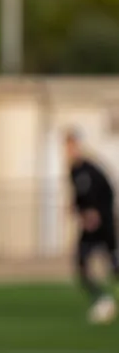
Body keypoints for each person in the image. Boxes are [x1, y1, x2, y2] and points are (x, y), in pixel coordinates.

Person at [65, 129, 119, 324]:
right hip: (88, 228)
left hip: (103, 225)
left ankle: (105, 303)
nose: (69, 150)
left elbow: (107, 192)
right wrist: (76, 207)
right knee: (81, 263)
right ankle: (102, 300)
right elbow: (80, 196)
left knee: (114, 265)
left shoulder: (92, 169)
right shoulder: (73, 171)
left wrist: (97, 213)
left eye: (72, 145)